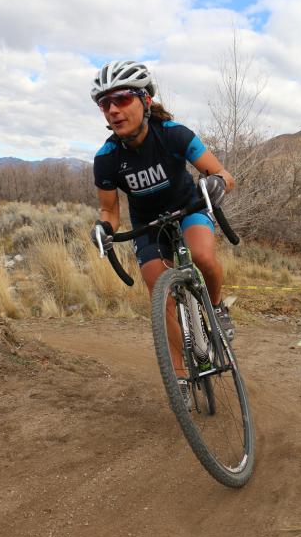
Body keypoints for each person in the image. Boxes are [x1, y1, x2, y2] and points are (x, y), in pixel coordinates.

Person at [91, 60, 235, 405]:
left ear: (145, 100)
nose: (113, 110)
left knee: (202, 257)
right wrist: (103, 229)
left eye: (122, 99)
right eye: (104, 103)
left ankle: (216, 309)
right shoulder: (107, 158)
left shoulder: (174, 134)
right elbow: (110, 210)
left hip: (189, 210)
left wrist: (215, 183)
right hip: (147, 226)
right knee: (162, 294)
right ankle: (180, 375)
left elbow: (222, 174)